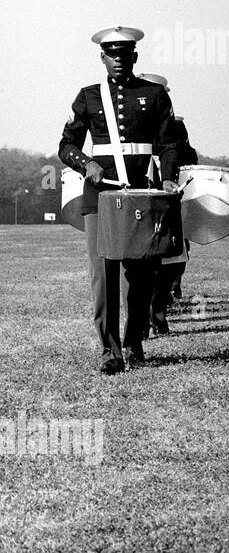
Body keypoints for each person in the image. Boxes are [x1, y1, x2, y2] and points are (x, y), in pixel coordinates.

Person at [58, 26, 181, 373]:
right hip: (99, 199)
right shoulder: (88, 96)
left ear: (134, 57)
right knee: (104, 275)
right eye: (111, 54)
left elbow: (169, 143)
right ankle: (110, 352)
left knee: (142, 274)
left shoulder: (155, 94)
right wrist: (87, 164)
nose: (118, 60)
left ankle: (134, 340)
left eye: (124, 54)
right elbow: (66, 146)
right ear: (102, 58)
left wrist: (169, 178)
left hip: (141, 195)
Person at [136, 74, 199, 335]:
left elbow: (188, 155)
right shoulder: (131, 122)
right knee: (141, 261)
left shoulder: (174, 125)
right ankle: (144, 317)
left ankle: (158, 312)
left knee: (172, 260)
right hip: (141, 194)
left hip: (168, 196)